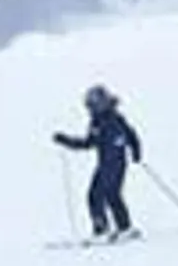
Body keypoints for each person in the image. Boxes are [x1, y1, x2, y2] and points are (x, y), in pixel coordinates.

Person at [53, 84, 143, 242]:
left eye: (93, 105)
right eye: (89, 106)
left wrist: (136, 152)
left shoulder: (114, 119)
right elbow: (88, 143)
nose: (90, 109)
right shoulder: (97, 122)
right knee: (108, 195)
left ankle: (103, 230)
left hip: (115, 163)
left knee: (99, 195)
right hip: (106, 164)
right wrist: (66, 141)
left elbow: (131, 135)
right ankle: (123, 227)